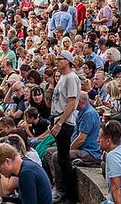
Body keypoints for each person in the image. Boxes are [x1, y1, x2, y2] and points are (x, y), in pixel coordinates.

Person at [45, 92, 101, 198]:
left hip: (88, 151)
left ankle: (61, 189)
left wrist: (66, 151)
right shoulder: (82, 112)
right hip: (79, 148)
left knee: (57, 156)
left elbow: (81, 139)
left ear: (79, 102)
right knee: (49, 152)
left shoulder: (89, 114)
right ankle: (56, 183)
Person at [50, 50, 81, 204]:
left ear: (67, 61)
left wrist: (60, 122)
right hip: (57, 117)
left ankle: (70, 194)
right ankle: (65, 192)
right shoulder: (62, 77)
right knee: (62, 158)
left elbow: (71, 103)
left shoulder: (71, 78)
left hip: (64, 121)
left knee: (64, 158)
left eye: (60, 59)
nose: (57, 61)